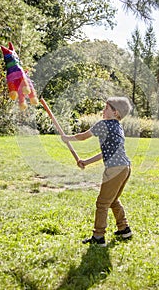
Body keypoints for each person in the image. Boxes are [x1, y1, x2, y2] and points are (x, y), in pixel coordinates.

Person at [61, 96, 132, 247]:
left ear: (116, 113)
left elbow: (83, 136)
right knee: (112, 200)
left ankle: (98, 236)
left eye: (107, 108)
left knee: (102, 203)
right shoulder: (118, 127)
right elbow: (105, 153)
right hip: (125, 168)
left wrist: (67, 138)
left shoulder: (104, 124)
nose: (103, 110)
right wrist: (86, 162)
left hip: (114, 170)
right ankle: (124, 229)